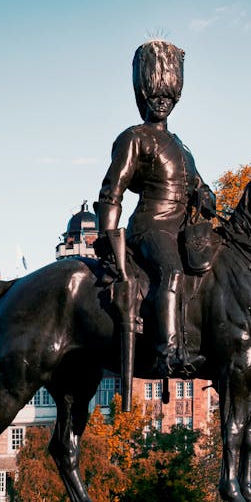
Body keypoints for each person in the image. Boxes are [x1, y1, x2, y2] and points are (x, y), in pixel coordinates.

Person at [94, 40, 216, 387]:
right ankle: (168, 351)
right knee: (172, 272)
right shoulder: (134, 138)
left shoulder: (181, 147)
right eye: (155, 96)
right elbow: (112, 190)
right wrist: (107, 236)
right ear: (143, 96)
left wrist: (206, 194)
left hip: (182, 229)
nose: (161, 102)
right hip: (150, 227)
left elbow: (197, 185)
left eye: (167, 97)